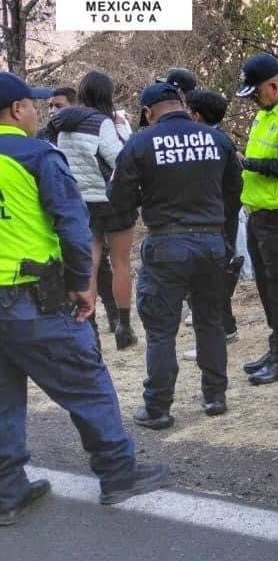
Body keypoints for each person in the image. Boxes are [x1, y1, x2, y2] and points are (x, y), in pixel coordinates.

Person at [0, 72, 169, 525]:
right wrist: (81, 283)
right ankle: (118, 473)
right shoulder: (36, 155)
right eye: (33, 105)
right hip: (33, 298)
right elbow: (72, 225)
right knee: (86, 383)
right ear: (18, 110)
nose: (38, 111)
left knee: (2, 396)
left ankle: (6, 491)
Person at [108, 83, 243, 428]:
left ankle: (158, 407)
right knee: (210, 322)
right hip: (212, 243)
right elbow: (234, 191)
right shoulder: (217, 139)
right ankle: (215, 396)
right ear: (181, 104)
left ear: (149, 112)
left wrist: (143, 199)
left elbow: (118, 196)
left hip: (167, 244)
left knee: (161, 331)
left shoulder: (140, 143)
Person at [45, 70, 136, 349]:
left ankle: (91, 329)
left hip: (80, 201)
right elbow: (120, 158)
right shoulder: (103, 122)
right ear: (105, 95)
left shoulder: (59, 122)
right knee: (121, 264)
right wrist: (122, 128)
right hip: (112, 200)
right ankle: (123, 327)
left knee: (90, 265)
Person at [235, 52, 278, 385]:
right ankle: (275, 347)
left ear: (275, 84)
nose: (255, 100)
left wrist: (246, 165)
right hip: (258, 214)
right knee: (265, 288)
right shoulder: (266, 113)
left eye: (258, 92)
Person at [182, 89, 242, 359]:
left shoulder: (211, 142)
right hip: (221, 219)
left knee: (209, 281)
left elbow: (231, 185)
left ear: (196, 115)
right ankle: (226, 329)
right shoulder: (222, 140)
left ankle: (214, 338)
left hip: (214, 222)